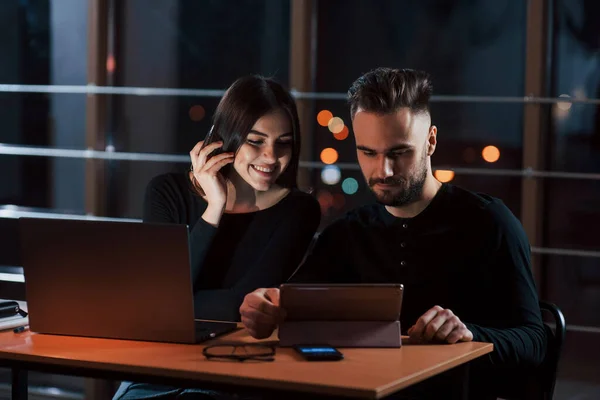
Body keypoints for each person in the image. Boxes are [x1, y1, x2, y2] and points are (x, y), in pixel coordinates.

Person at [239, 68, 547, 399]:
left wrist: (469, 335)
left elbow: (534, 343)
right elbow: (287, 305)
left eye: (398, 153)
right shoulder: (346, 234)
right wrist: (264, 307)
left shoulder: (489, 223)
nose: (383, 170)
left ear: (430, 141)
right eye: (368, 153)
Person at [113, 75, 320, 400]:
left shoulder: (298, 211)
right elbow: (159, 299)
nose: (270, 157)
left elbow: (243, 307)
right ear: (227, 138)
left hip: (236, 371)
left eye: (283, 143)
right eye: (255, 141)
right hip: (158, 368)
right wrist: (215, 208)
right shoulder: (166, 192)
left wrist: (179, 307)